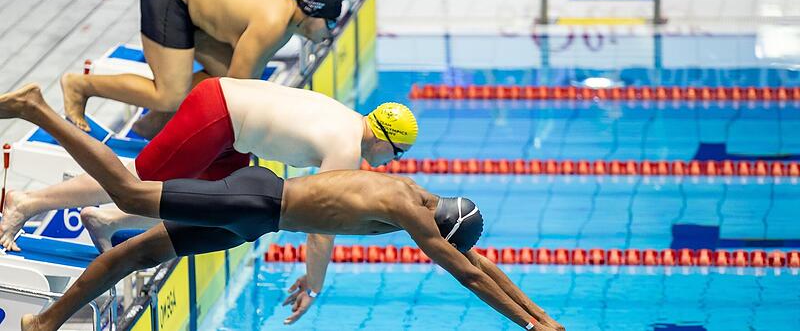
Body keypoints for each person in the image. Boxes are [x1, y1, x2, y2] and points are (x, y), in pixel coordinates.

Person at [0, 84, 563, 331]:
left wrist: (542, 320)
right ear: (443, 228)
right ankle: (37, 109)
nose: (439, 249)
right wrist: (525, 323)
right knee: (129, 192)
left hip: (256, 218)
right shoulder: (406, 206)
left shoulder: (420, 199)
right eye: (444, 243)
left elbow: (477, 264)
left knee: (138, 254)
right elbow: (469, 274)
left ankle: (43, 322)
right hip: (257, 199)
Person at [60, 0, 342, 136]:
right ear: (314, 16)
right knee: (170, 95)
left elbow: (236, 83)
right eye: (330, 24)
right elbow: (238, 91)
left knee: (219, 77)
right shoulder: (273, 25)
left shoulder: (284, 11)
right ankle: (81, 86)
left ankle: (154, 122)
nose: (329, 33)